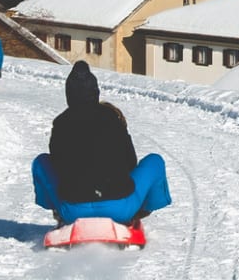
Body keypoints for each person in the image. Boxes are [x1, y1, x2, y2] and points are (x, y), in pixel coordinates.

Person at [32, 62, 172, 227]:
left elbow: (57, 165)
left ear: (68, 94)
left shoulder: (61, 123)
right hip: (120, 208)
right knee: (155, 161)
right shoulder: (112, 118)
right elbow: (130, 162)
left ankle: (57, 211)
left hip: (73, 211)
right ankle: (140, 210)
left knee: (41, 161)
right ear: (96, 92)